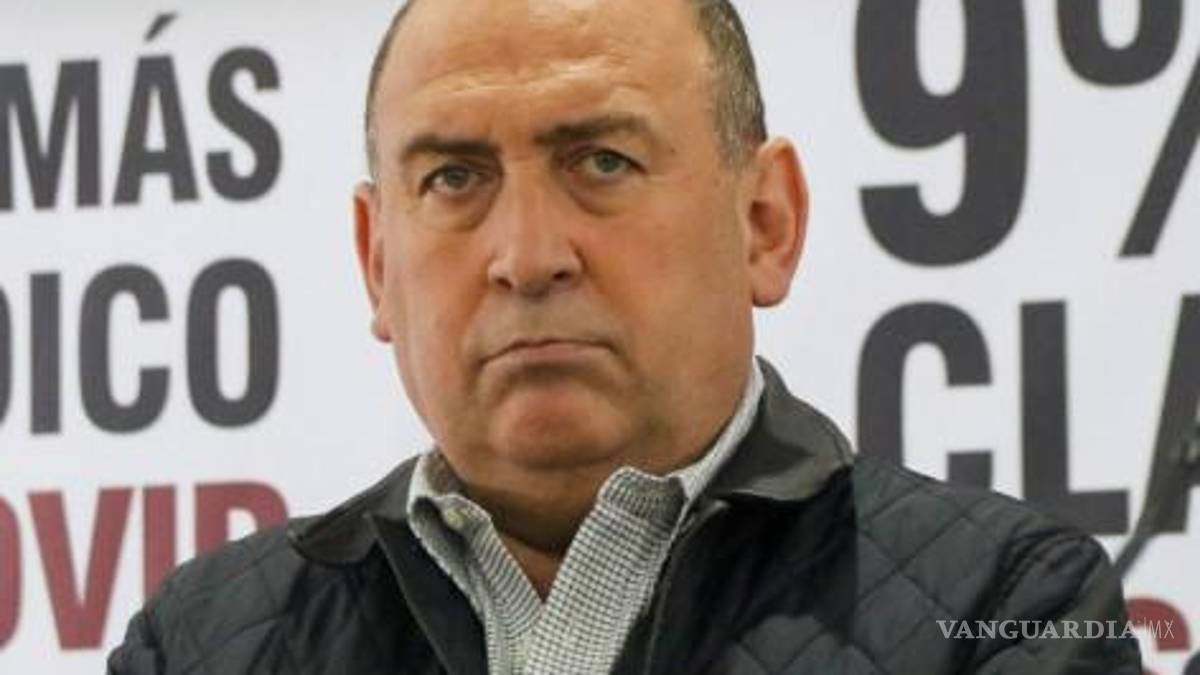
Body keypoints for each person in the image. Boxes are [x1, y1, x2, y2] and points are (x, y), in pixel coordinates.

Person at [108, 0, 1142, 673]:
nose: (527, 256)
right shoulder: (201, 644)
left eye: (602, 162)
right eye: (455, 178)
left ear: (765, 222)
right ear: (377, 262)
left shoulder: (1011, 608)